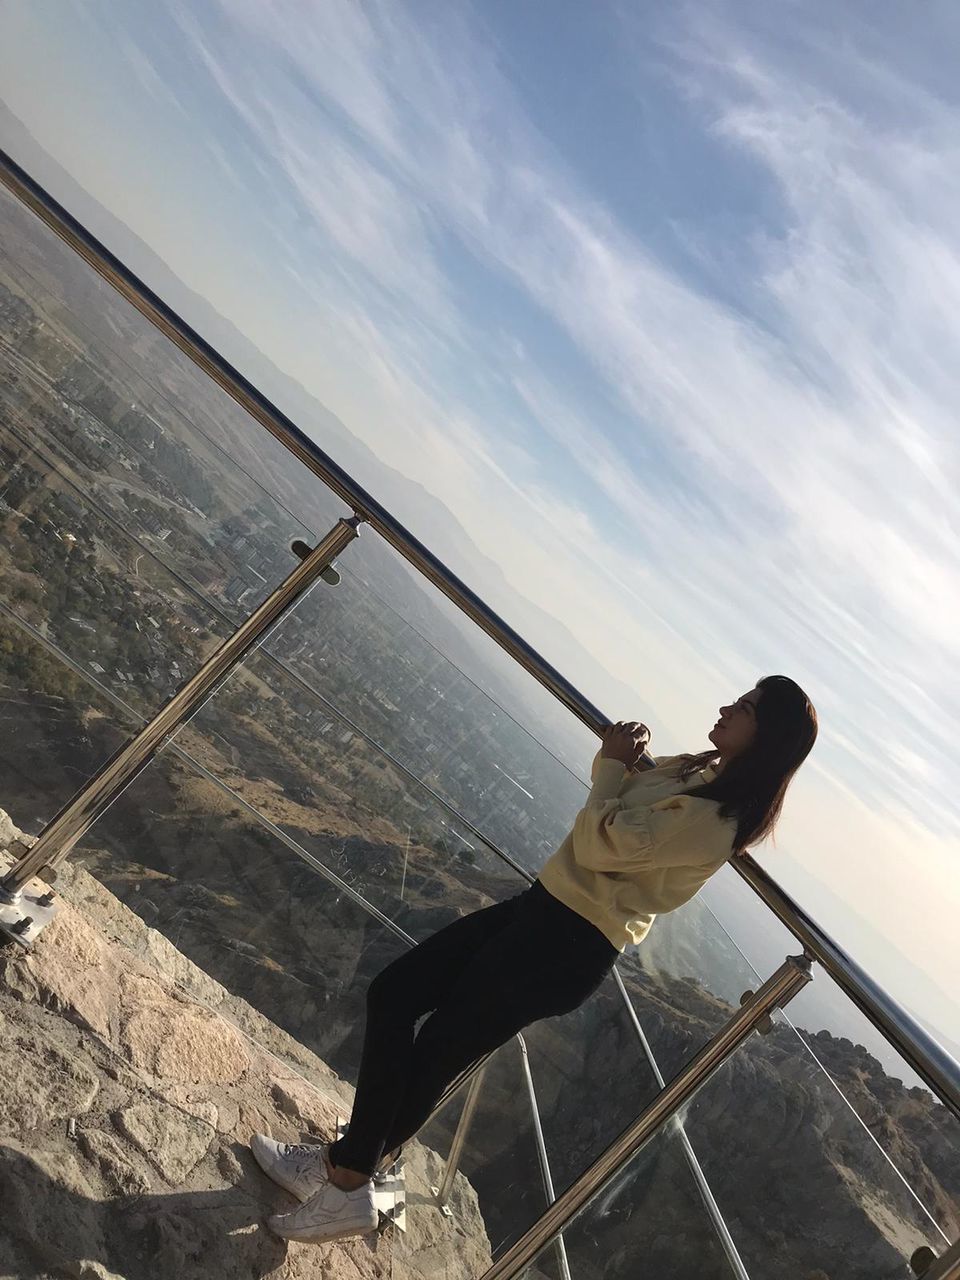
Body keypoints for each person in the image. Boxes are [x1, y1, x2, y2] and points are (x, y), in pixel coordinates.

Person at [252, 674, 818, 1244]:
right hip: (542, 911)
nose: (726, 706)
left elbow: (602, 842)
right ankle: (343, 1166)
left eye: (744, 708)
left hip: (567, 944)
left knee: (435, 1052)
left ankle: (347, 1180)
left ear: (767, 738)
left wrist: (612, 769)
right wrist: (625, 770)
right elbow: (617, 826)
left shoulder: (714, 821)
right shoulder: (697, 771)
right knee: (397, 993)